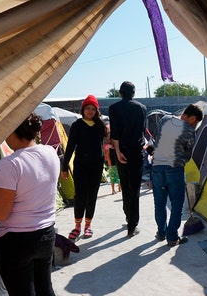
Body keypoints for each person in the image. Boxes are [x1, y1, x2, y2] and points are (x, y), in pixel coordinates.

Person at [0, 112, 59, 296]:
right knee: (45, 290)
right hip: (46, 235)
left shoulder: (11, 163)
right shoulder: (49, 152)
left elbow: (0, 213)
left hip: (17, 242)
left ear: (12, 132)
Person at [148, 104, 203, 246]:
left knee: (159, 203)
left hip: (157, 168)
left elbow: (155, 140)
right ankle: (172, 237)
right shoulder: (189, 130)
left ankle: (161, 232)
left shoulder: (164, 119)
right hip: (175, 169)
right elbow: (187, 154)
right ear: (192, 117)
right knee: (176, 204)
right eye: (195, 122)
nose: (195, 125)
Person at [61, 94, 107, 241]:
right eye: (87, 108)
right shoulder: (77, 125)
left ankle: (88, 226)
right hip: (80, 165)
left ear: (96, 111)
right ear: (83, 109)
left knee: (92, 196)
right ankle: (77, 226)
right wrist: (64, 167)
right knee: (80, 196)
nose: (90, 111)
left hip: (96, 166)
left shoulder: (100, 126)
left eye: (93, 109)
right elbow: (70, 146)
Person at [108, 81, 147, 237]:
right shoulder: (142, 108)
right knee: (135, 187)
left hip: (121, 151)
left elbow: (115, 132)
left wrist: (117, 151)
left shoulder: (114, 108)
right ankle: (132, 224)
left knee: (125, 185)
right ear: (134, 93)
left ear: (120, 92)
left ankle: (128, 215)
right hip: (137, 151)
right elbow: (142, 130)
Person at [103, 123, 121, 195]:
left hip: (116, 162)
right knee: (113, 177)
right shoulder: (108, 147)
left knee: (117, 176)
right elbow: (107, 155)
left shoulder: (116, 147)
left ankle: (119, 188)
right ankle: (113, 189)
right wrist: (109, 162)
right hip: (112, 163)